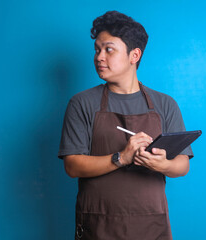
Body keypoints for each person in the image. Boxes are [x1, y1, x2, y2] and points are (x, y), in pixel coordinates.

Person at [58, 10, 193, 240]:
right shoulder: (82, 103)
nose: (99, 57)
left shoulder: (165, 104)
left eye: (109, 49)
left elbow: (182, 165)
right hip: (98, 224)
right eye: (97, 50)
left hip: (151, 224)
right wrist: (122, 157)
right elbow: (72, 165)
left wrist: (161, 164)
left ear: (134, 55)